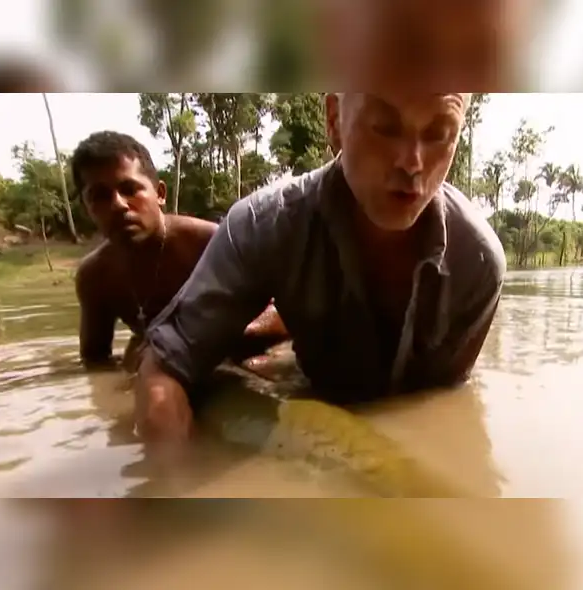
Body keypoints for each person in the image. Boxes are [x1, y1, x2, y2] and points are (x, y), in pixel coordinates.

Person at [135, 93, 506, 442]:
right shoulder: (261, 226)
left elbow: (446, 404)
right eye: (383, 126)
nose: (412, 163)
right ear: (334, 119)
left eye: (439, 134)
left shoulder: (477, 261)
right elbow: (164, 370)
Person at [70, 130, 288, 373]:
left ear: (160, 194)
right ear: (86, 208)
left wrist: (192, 339)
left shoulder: (211, 241)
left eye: (130, 189)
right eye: (100, 196)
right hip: (163, 366)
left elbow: (284, 314)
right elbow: (95, 360)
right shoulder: (95, 277)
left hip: (238, 357)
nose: (118, 204)